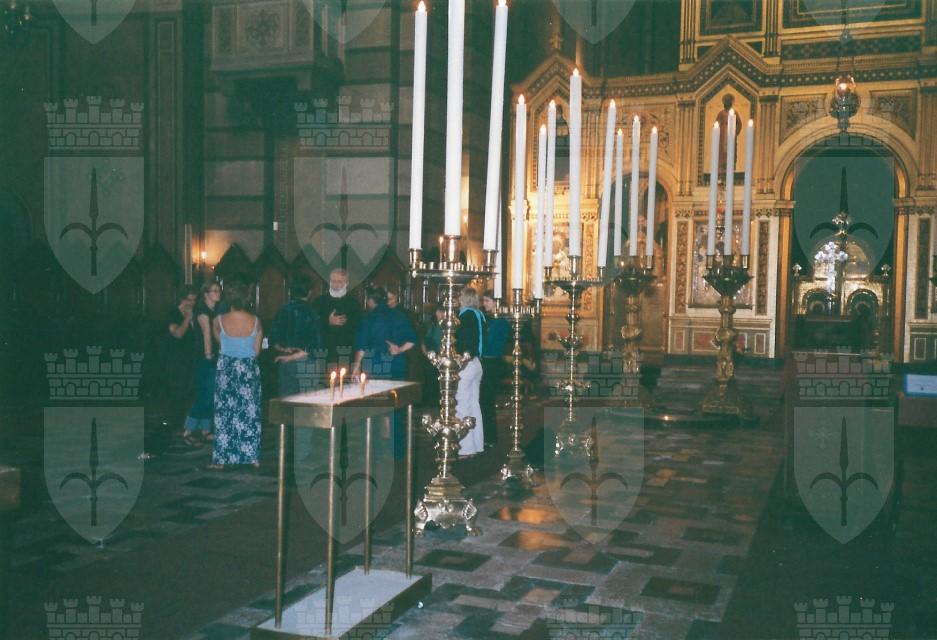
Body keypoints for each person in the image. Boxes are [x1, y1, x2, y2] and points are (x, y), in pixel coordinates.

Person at [208, 279, 263, 470]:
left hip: (227, 369)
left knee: (224, 413)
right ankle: (252, 457)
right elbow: (256, 351)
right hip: (248, 369)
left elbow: (220, 342)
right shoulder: (256, 321)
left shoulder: (218, 320)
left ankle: (221, 459)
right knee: (250, 412)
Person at [182, 280, 222, 447]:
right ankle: (188, 430)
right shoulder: (203, 312)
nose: (218, 293)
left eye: (218, 290)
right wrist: (208, 355)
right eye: (214, 291)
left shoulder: (214, 310)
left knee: (210, 394)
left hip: (213, 356)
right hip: (204, 357)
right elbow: (206, 334)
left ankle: (205, 429)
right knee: (205, 395)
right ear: (206, 294)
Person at [352, 286, 417, 381]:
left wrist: (356, 366)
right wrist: (400, 350)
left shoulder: (368, 318)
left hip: (374, 367)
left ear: (371, 300)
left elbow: (361, 346)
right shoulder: (400, 316)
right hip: (397, 366)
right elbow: (412, 340)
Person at [270, 275, 321, 396]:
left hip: (286, 361)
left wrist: (285, 351)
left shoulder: (282, 310)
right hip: (306, 363)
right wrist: (293, 356)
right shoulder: (312, 312)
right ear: (310, 292)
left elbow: (273, 339)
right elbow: (313, 345)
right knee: (308, 403)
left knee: (287, 403)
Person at [454, 287, 485, 457]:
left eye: (459, 297)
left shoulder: (465, 316)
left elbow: (462, 342)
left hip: (466, 364)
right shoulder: (479, 315)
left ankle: (465, 448)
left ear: (464, 299)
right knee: (474, 404)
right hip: (477, 363)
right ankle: (477, 444)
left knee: (461, 404)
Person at [313, 268, 361, 367]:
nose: (335, 285)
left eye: (339, 282)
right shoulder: (319, 302)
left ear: (346, 283)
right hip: (325, 352)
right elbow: (312, 325)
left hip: (347, 352)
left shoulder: (353, 303)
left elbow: (358, 328)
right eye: (333, 281)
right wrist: (328, 321)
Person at [480, 291, 509, 448]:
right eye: (484, 301)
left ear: (496, 302)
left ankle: (490, 437)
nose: (484, 304)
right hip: (487, 362)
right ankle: (486, 436)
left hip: (492, 363)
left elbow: (489, 342)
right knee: (484, 400)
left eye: (487, 301)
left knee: (487, 400)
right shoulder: (491, 320)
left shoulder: (500, 321)